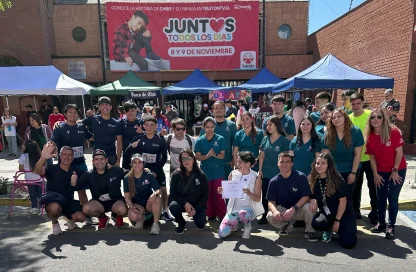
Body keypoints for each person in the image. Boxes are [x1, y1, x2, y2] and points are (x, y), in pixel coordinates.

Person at [366, 108, 407, 239]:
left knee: (392, 197)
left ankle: (391, 226)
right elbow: (371, 157)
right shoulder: (370, 136)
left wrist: (395, 170)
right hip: (381, 171)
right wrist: (375, 174)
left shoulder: (393, 132)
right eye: (373, 117)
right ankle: (381, 223)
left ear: (383, 119)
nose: (375, 119)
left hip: (397, 169)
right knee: (380, 197)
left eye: (379, 117)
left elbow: (399, 152)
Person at [125, 116, 172, 221]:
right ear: (143, 126)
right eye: (147, 125)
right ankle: (140, 209)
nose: (149, 127)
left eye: (152, 125)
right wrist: (131, 147)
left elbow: (164, 158)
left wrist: (155, 171)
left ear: (156, 126)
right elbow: (128, 153)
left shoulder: (160, 140)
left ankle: (165, 210)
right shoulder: (138, 139)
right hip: (141, 169)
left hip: (157, 169)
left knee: (163, 189)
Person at [34, 144, 86, 235]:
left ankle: (69, 218)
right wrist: (43, 158)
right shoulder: (51, 168)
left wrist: (75, 184)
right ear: (60, 156)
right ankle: (55, 222)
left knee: (81, 217)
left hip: (68, 201)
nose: (67, 157)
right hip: (54, 201)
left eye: (70, 155)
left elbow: (82, 189)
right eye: (64, 154)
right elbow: (37, 171)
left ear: (73, 157)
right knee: (54, 208)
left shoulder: (76, 171)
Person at [266, 152, 319, 242]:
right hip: (284, 211)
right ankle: (284, 225)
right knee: (270, 215)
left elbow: (306, 197)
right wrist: (275, 211)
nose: (284, 164)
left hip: (300, 209)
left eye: (287, 162)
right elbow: (271, 201)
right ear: (277, 163)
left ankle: (309, 230)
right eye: (281, 162)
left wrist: (293, 208)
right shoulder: (273, 181)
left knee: (309, 207)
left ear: (292, 164)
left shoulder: (300, 176)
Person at [309, 152, 357, 248]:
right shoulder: (314, 179)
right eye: (317, 163)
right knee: (316, 223)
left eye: (323, 163)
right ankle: (328, 229)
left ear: (329, 165)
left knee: (348, 243)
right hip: (328, 212)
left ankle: (343, 228)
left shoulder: (337, 179)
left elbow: (343, 202)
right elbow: (312, 195)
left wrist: (337, 220)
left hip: (343, 213)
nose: (319, 166)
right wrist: (312, 199)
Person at [74, 149, 128, 229]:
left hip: (115, 201)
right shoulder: (89, 174)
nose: (99, 162)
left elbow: (130, 175)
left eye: (102, 159)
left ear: (106, 160)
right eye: (96, 159)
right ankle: (103, 217)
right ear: (93, 161)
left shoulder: (115, 170)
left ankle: (118, 217)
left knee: (122, 209)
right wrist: (73, 182)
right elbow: (77, 186)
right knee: (86, 209)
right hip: (99, 203)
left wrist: (143, 171)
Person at [217, 151, 262, 239]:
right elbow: (227, 194)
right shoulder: (233, 174)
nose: (237, 163)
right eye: (237, 161)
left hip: (248, 210)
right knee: (222, 234)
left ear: (248, 164)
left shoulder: (256, 177)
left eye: (240, 162)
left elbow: (257, 198)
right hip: (233, 210)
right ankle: (234, 224)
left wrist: (249, 192)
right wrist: (222, 191)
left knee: (243, 214)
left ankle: (247, 226)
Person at [321, 109, 364, 201]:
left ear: (345, 117)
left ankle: (351, 214)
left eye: (339, 116)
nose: (336, 119)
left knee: (348, 197)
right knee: (335, 197)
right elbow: (326, 156)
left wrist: (353, 173)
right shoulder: (328, 134)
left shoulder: (356, 132)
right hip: (335, 170)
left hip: (351, 169)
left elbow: (357, 154)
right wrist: (329, 173)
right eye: (333, 118)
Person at [349, 93, 378, 222]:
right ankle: (356, 210)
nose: (356, 106)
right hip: (356, 159)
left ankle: (375, 212)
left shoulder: (370, 115)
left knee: (373, 186)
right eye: (353, 104)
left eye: (358, 103)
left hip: (371, 159)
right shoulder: (348, 118)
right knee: (356, 187)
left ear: (363, 103)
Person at [258, 116, 291, 224]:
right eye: (267, 125)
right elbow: (262, 155)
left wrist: (285, 171)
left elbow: (287, 158)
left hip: (279, 174)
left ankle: (280, 216)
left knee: (279, 196)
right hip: (266, 172)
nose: (268, 127)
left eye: (270, 124)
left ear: (277, 125)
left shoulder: (284, 140)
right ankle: (265, 215)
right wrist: (260, 170)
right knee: (266, 195)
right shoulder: (265, 139)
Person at [169, 149, 209, 234]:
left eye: (188, 158)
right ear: (180, 161)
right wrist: (185, 203)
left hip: (196, 204)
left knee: (200, 224)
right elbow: (173, 193)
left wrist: (196, 208)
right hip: (182, 203)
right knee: (173, 206)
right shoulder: (176, 174)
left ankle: (198, 215)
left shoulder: (200, 174)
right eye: (183, 159)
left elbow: (205, 194)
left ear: (193, 159)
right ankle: (181, 222)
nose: (186, 161)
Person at [195, 117, 226, 221]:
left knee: (219, 194)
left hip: (218, 172)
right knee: (208, 195)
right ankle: (211, 214)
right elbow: (197, 157)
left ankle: (221, 214)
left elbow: (222, 156)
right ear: (203, 127)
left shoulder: (220, 139)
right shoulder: (199, 140)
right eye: (207, 127)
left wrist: (214, 154)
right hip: (206, 172)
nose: (210, 129)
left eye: (212, 127)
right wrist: (207, 156)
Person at [124, 153, 162, 234]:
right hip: (137, 204)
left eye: (139, 162)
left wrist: (154, 194)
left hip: (149, 203)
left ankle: (155, 225)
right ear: (131, 164)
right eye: (135, 162)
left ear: (143, 163)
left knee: (157, 198)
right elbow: (127, 197)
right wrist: (131, 206)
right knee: (132, 216)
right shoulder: (127, 178)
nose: (137, 165)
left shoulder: (148, 175)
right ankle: (141, 218)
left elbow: (158, 190)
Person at [200, 100, 237, 179]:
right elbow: (201, 143)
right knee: (209, 189)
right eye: (216, 108)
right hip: (209, 164)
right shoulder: (207, 124)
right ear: (213, 110)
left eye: (221, 108)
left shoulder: (231, 125)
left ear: (225, 109)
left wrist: (234, 160)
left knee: (226, 189)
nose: (218, 110)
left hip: (226, 163)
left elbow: (236, 145)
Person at [82, 96, 123, 166]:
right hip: (97, 155)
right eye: (102, 105)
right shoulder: (93, 119)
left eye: (107, 104)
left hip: (111, 156)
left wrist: (118, 160)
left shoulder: (116, 123)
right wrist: (91, 136)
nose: (105, 107)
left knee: (113, 176)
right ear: (99, 107)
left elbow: (119, 143)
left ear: (111, 107)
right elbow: (78, 124)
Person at [18, 140, 42, 214]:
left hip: (29, 179)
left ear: (27, 147)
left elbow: (20, 168)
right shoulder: (39, 156)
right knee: (40, 194)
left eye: (23, 145)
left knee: (32, 194)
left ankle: (34, 208)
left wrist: (26, 169)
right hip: (39, 178)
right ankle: (42, 207)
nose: (22, 146)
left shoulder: (24, 156)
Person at [119, 101, 144, 170]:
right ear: (125, 112)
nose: (130, 113)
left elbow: (150, 135)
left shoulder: (142, 122)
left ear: (136, 110)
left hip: (139, 157)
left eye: (132, 110)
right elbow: (119, 141)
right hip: (127, 155)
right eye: (128, 111)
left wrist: (143, 132)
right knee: (127, 178)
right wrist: (118, 159)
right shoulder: (121, 123)